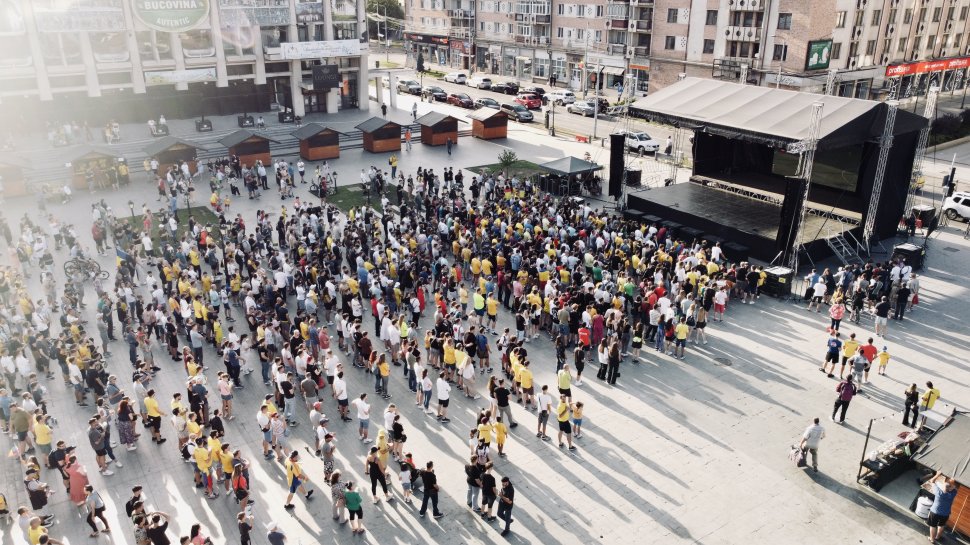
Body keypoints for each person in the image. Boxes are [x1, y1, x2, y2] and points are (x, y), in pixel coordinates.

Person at [927, 471, 959, 543]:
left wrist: (938, 474)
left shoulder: (938, 492)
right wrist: (952, 482)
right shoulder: (953, 493)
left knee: (933, 526)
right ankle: (937, 537)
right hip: (945, 514)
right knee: (941, 525)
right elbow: (956, 487)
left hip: (935, 512)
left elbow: (932, 481)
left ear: (943, 486)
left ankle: (932, 539)